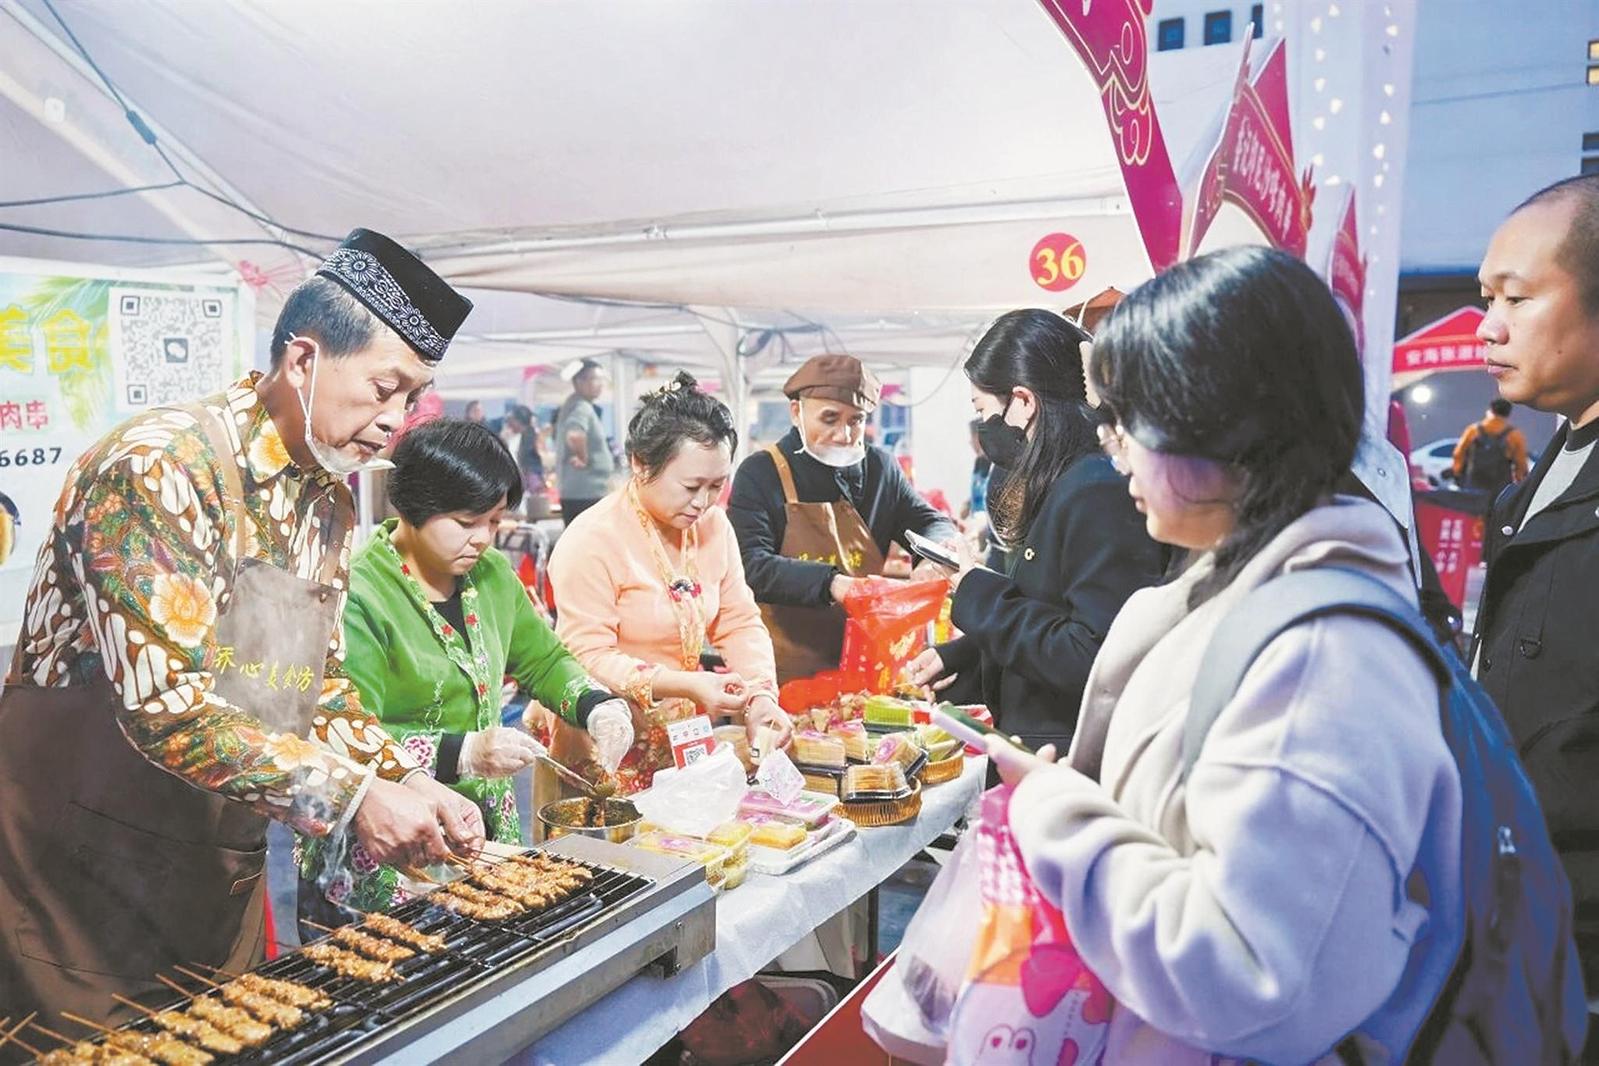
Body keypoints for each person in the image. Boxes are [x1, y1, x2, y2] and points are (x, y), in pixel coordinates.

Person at [0, 229, 487, 1029]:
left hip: (210, 866)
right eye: (383, 389)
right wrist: (353, 795)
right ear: (303, 361)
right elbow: (166, 708)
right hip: (81, 871)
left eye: (413, 398)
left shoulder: (326, 498)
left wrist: (401, 777)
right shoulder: (159, 466)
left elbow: (315, 685)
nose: (395, 421)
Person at [986, 246, 1462, 1062]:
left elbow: (1241, 972)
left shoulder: (1320, 656)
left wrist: (1053, 810)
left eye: (1125, 419)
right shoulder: (1238, 590)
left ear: (1217, 422)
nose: (1110, 447)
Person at [298, 419, 632, 919]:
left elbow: (543, 659)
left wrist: (596, 705)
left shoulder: (491, 575)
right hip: (386, 846)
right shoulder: (359, 593)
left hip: (480, 837)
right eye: (465, 521)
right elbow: (344, 732)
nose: (482, 540)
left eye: (494, 522)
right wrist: (465, 752)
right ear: (413, 507)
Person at [905, 310, 1168, 752]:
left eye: (983, 410)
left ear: (1023, 401)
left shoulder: (1095, 490)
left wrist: (976, 592)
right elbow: (1051, 609)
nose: (984, 427)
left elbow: (1090, 654)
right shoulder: (1066, 481)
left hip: (1067, 756)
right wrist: (965, 657)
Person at [1472, 174, 1599, 1008]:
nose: (1488, 326)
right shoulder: (1532, 482)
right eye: (1487, 298)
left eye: (1517, 298)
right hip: (1522, 934)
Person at [549, 372, 793, 793]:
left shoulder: (714, 527)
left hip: (682, 737)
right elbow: (586, 654)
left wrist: (761, 697)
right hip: (605, 739)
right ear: (641, 464)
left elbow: (738, 620)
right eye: (691, 486)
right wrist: (687, 684)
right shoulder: (592, 538)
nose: (703, 502)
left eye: (717, 486)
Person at [726, 354, 957, 683]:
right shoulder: (761, 471)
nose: (844, 434)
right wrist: (833, 583)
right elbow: (749, 565)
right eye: (830, 419)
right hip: (782, 668)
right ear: (797, 412)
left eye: (856, 421)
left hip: (868, 663)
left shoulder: (880, 469)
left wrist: (933, 556)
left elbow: (930, 522)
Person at [555, 358, 615, 525]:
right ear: (579, 382)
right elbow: (575, 434)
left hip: (580, 492)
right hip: (585, 493)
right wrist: (583, 457)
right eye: (595, 379)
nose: (600, 384)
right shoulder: (580, 406)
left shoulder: (576, 404)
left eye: (601, 379)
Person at [1450, 397, 1529, 496]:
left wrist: (1457, 473)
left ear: (1490, 410)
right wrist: (1519, 480)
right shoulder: (1514, 435)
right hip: (1500, 486)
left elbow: (1459, 453)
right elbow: (1521, 463)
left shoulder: (1473, 430)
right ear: (1508, 414)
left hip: (1474, 481)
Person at [501, 403, 548, 516]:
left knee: (530, 512)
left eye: (511, 420)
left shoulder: (532, 436)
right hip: (520, 483)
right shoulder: (515, 437)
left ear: (518, 421)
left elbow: (539, 458)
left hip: (530, 482)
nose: (509, 424)